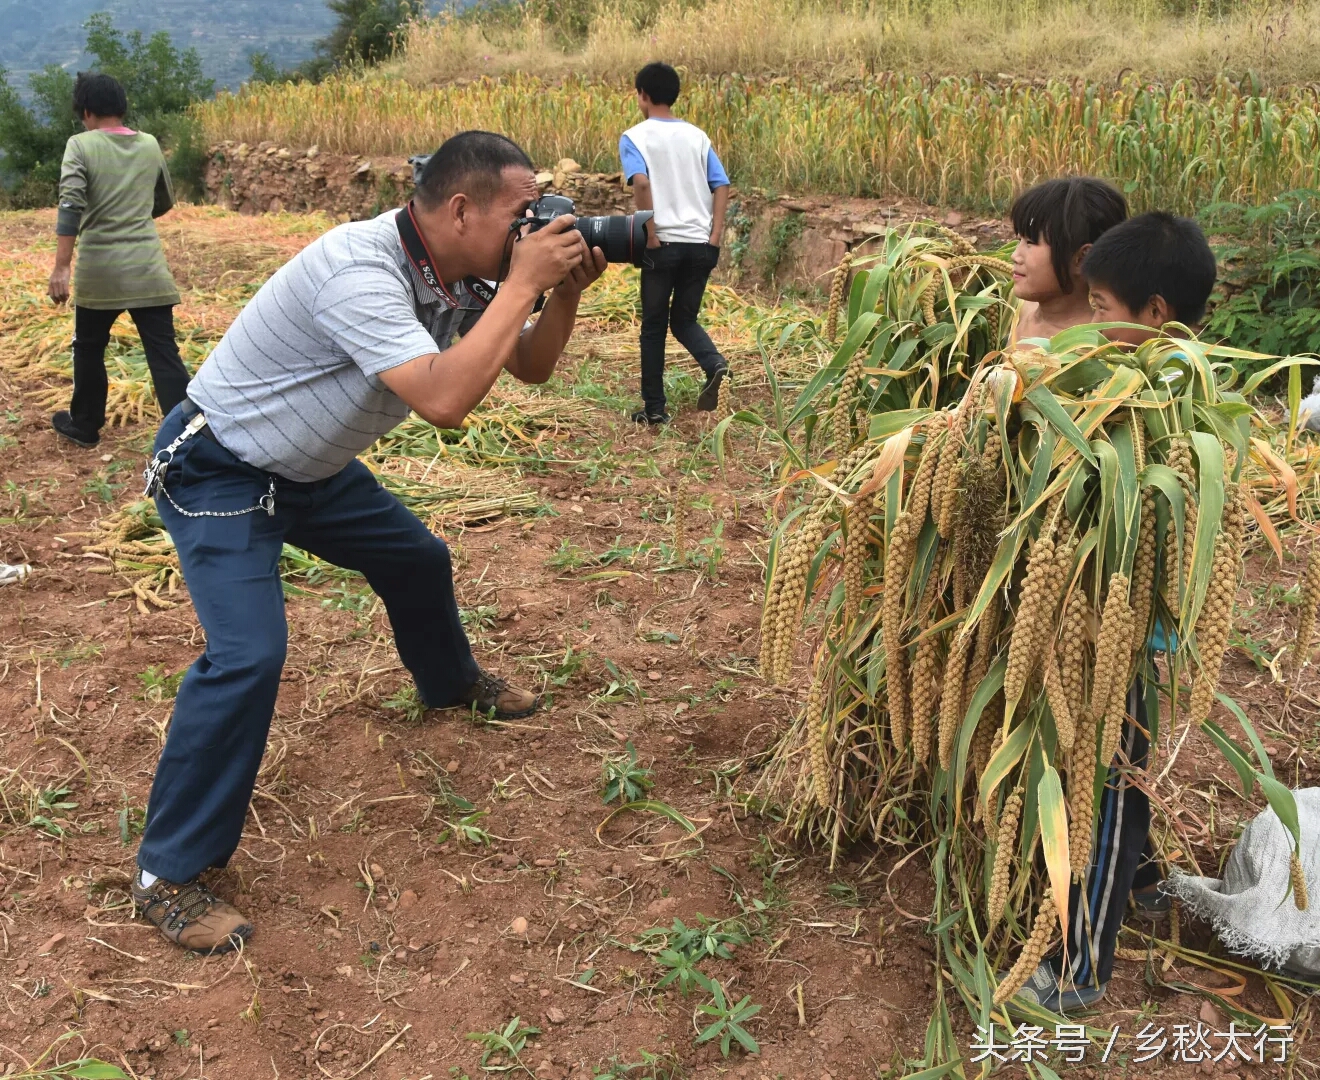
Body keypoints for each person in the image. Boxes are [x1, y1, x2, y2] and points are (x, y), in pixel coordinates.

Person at [130, 131, 606, 955]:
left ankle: (450, 685)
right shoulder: (359, 270)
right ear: (460, 209)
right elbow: (447, 401)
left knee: (418, 558)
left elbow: (527, 366)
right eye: (521, 213)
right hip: (222, 470)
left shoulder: (467, 270)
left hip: (310, 471)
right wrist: (524, 280)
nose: (534, 227)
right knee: (248, 654)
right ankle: (168, 877)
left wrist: (555, 293)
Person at [1011, 211, 1219, 1011]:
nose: (1089, 321)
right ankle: (1146, 881)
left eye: (1100, 307)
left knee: (1108, 785)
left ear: (1156, 316)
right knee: (1107, 772)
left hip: (1121, 630)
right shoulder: (1142, 382)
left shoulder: (1168, 405)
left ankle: (1078, 967)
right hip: (1096, 617)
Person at [48, 72, 190, 449]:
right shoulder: (149, 144)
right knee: (163, 353)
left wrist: (62, 266)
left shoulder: (80, 145)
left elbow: (71, 205)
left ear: (88, 112)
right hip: (148, 268)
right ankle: (188, 436)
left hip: (100, 271)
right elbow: (164, 201)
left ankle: (86, 425)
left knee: (90, 346)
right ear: (122, 108)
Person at [621, 62, 731, 425]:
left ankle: (654, 409)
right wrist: (714, 236)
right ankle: (714, 364)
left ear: (643, 95)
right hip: (700, 245)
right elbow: (721, 184)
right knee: (684, 320)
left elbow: (640, 183)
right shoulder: (698, 137)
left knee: (653, 326)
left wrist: (649, 232)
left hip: (662, 245)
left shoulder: (635, 137)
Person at [1008, 177, 1127, 345]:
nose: (1015, 256)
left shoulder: (1088, 349)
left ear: (1082, 259)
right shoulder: (1023, 312)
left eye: (1030, 243)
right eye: (1018, 240)